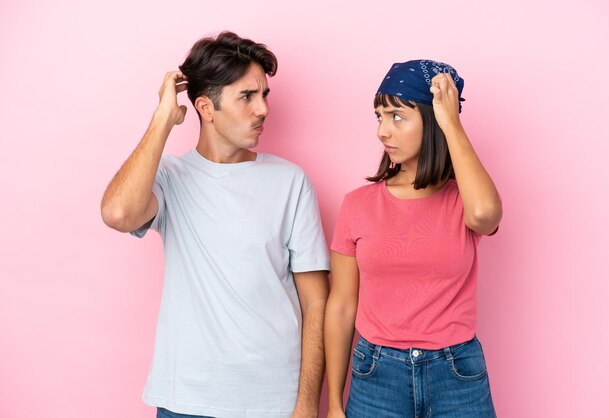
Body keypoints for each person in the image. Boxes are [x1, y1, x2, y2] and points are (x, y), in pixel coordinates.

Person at [101, 31, 330, 418]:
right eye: (247, 96)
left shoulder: (291, 182)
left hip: (274, 402)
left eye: (264, 95)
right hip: (187, 400)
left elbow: (316, 301)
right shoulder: (171, 178)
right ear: (206, 108)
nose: (263, 110)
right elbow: (118, 214)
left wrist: (307, 403)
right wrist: (162, 120)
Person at [324, 60, 502, 418]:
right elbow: (342, 306)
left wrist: (451, 122)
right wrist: (333, 404)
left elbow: (485, 216)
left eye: (397, 117)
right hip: (376, 374)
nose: (382, 131)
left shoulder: (463, 201)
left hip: (457, 373)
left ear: (433, 119)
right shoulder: (358, 205)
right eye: (379, 117)